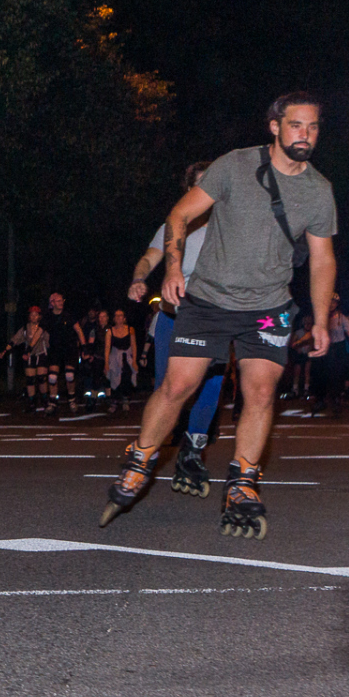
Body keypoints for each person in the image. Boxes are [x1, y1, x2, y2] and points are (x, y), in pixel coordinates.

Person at [101, 92, 337, 539]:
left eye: (312, 127)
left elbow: (323, 260)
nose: (304, 135)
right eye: (296, 125)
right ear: (275, 126)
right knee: (178, 386)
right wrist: (173, 269)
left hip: (268, 306)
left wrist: (321, 319)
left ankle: (242, 484)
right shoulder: (235, 165)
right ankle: (140, 459)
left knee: (260, 392)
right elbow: (179, 214)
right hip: (209, 299)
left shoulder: (318, 191)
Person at [127, 161, 227, 494]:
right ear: (189, 192)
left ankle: (192, 452)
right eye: (199, 186)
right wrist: (139, 278)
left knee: (211, 384)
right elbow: (149, 258)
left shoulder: (231, 226)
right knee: (167, 388)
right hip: (175, 316)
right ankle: (146, 452)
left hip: (213, 319)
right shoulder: (175, 225)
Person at [1, 306, 50, 409]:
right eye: (32, 315)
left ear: (39, 316)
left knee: (41, 378)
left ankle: (45, 399)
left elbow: (48, 342)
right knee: (30, 379)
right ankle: (32, 401)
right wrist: (5, 350)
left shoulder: (43, 328)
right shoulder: (25, 328)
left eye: (36, 315)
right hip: (29, 356)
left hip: (41, 354)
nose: (33, 317)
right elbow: (15, 339)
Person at [39, 291, 79, 410]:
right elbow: (39, 332)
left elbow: (78, 330)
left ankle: (72, 399)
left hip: (69, 348)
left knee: (69, 375)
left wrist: (85, 346)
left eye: (62, 300)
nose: (61, 303)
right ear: (52, 303)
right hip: (55, 349)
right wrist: (30, 347)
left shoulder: (68, 316)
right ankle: (52, 401)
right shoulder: (48, 317)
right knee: (52, 377)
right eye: (59, 301)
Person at [105, 309, 140, 401]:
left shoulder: (130, 329)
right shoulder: (110, 331)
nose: (118, 317)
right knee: (114, 377)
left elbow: (134, 346)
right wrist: (106, 363)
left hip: (127, 357)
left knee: (127, 377)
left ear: (124, 318)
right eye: (116, 315)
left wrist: (134, 361)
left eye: (120, 315)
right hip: (115, 357)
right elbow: (107, 348)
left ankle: (126, 399)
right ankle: (114, 401)